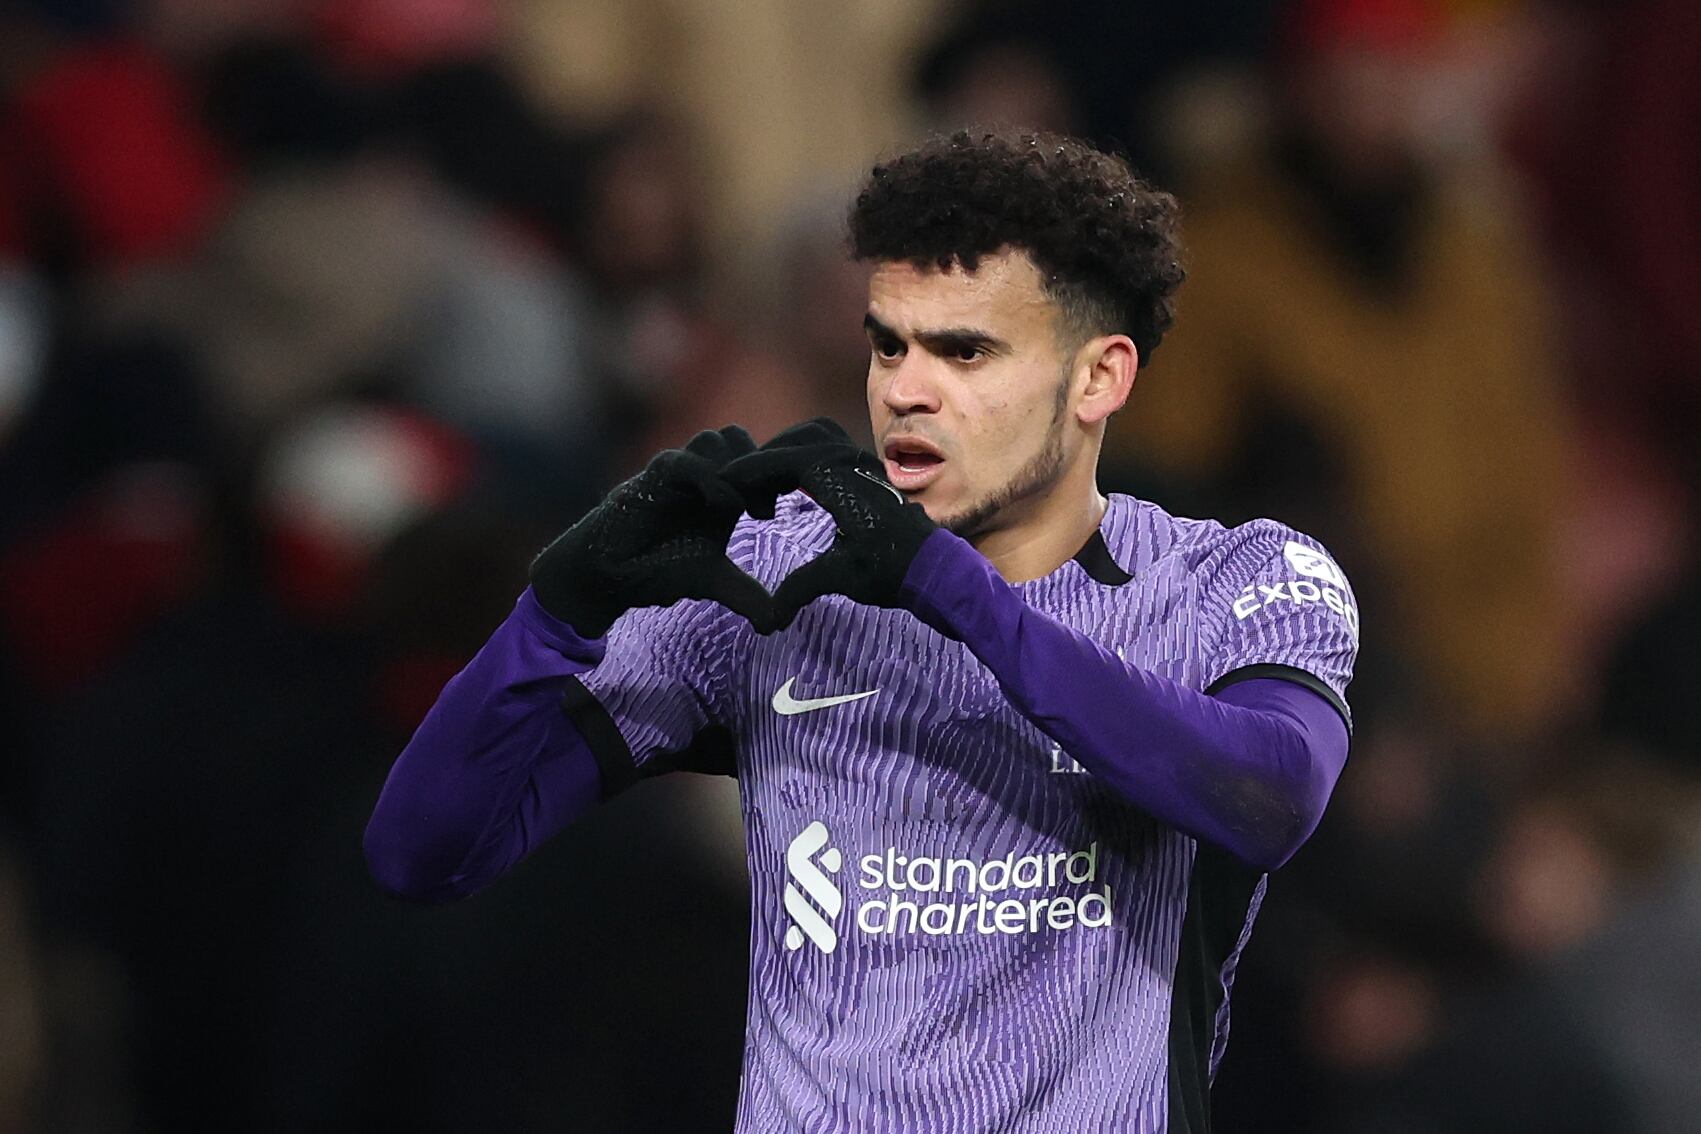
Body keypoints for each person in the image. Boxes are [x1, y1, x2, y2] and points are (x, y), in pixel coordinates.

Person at [365, 131, 1359, 1132]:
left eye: (966, 349)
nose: (905, 390)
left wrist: (958, 595)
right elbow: (424, 851)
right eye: (891, 343)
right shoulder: (777, 586)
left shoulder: (1234, 579)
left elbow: (1270, 795)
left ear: (1098, 377)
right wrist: (555, 616)